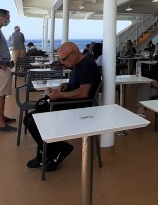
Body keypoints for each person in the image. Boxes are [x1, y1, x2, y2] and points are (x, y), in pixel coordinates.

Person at [23, 42, 101, 170]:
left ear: (74, 54)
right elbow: (77, 86)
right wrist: (65, 86)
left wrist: (60, 95)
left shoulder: (87, 66)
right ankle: (47, 153)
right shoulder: (77, 65)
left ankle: (59, 149)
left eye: (64, 59)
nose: (62, 63)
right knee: (28, 119)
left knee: (34, 122)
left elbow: (84, 93)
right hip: (70, 104)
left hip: (79, 109)